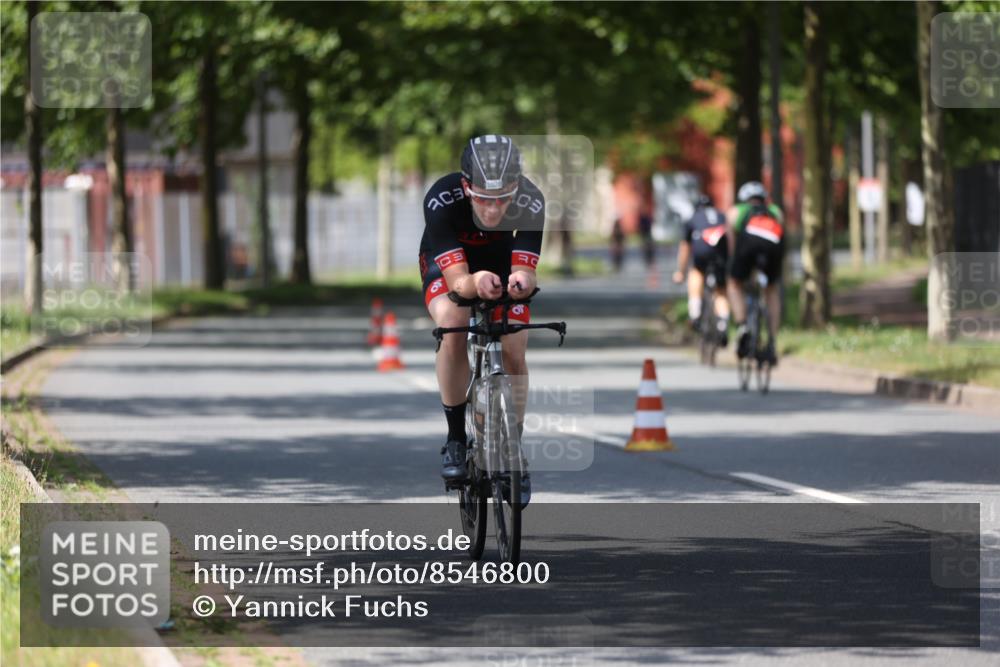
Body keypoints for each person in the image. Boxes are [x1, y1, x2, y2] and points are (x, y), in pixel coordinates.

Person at [419, 135, 543, 500]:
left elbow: (527, 268)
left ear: (516, 188)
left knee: (515, 345)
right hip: (451, 265)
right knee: (452, 321)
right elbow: (458, 281)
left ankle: (513, 448)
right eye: (484, 199)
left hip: (502, 261)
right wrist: (473, 281)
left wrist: (522, 280)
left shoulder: (532, 200)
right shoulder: (441, 198)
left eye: (503, 198)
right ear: (465, 187)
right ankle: (456, 438)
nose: (493, 210)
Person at [726, 181, 784, 364]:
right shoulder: (775, 211)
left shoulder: (736, 211)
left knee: (734, 284)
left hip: (747, 247)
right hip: (772, 247)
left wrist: (735, 267)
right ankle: (772, 340)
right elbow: (782, 235)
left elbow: (732, 245)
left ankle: (743, 325)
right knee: (772, 289)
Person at [673, 194, 729, 345]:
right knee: (720, 291)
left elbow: (685, 248)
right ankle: (723, 322)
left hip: (702, 252)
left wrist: (680, 272)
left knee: (696, 272)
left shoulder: (693, 218)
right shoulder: (722, 216)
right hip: (721, 254)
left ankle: (695, 313)